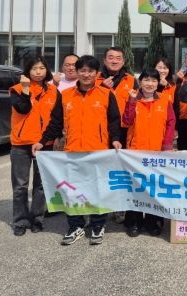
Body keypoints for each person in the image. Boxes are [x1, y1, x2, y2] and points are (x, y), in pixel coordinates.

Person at [32, 55, 122, 246]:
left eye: (90, 71)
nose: (86, 74)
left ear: (97, 73)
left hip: (98, 151)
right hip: (72, 151)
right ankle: (76, 226)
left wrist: (115, 139)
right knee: (73, 191)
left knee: (98, 190)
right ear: (77, 72)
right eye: (83, 70)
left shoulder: (106, 94)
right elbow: (56, 122)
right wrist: (42, 141)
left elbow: (114, 121)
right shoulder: (65, 95)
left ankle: (98, 225)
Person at [121, 68, 176, 237]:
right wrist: (131, 101)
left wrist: (167, 145)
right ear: (140, 82)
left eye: (153, 80)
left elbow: (171, 122)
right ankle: (134, 222)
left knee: (155, 188)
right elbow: (126, 121)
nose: (150, 84)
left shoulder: (165, 99)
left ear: (158, 83)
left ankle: (153, 222)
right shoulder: (133, 98)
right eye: (146, 80)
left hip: (157, 152)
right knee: (136, 187)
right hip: (135, 152)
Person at [9, 56, 60, 236]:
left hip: (44, 144)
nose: (38, 72)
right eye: (34, 68)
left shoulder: (54, 91)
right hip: (21, 144)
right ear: (27, 71)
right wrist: (25, 89)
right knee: (20, 186)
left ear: (47, 70)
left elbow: (56, 120)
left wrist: (45, 140)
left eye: (42, 68)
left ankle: (37, 218)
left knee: (41, 185)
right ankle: (20, 221)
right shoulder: (16, 89)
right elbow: (23, 109)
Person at [96, 46, 138, 147]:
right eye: (111, 58)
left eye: (118, 58)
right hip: (101, 128)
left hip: (125, 128)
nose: (114, 61)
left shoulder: (131, 80)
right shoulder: (95, 79)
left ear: (123, 62)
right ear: (104, 61)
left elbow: (138, 105)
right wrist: (102, 88)